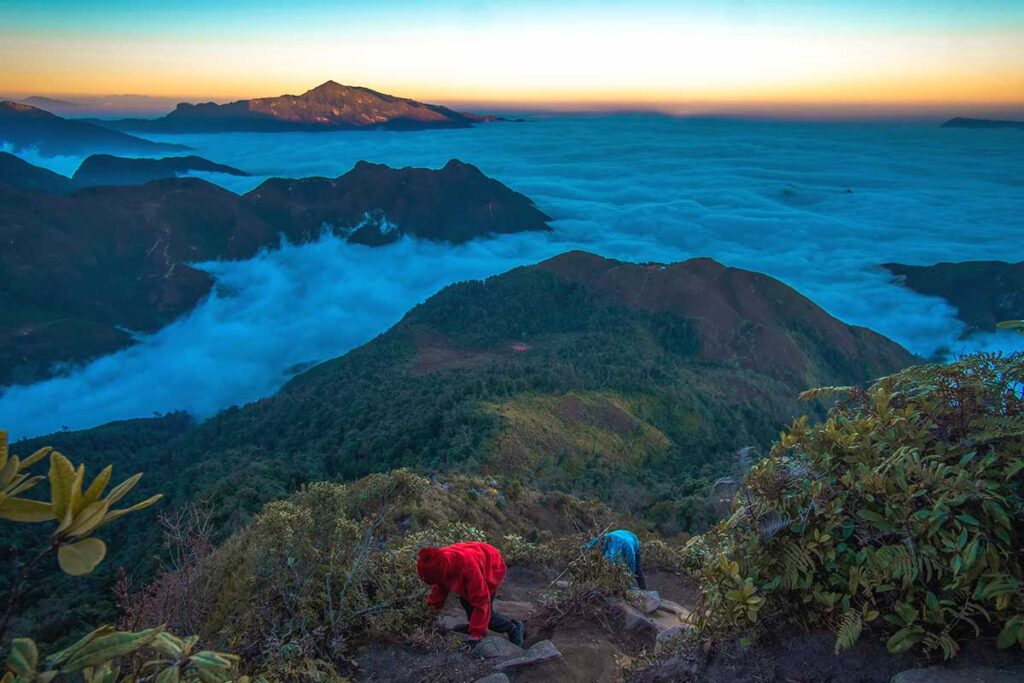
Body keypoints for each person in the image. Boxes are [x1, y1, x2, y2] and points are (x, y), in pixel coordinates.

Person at [417, 541, 526, 648]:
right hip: (475, 557)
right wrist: (427, 617)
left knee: (488, 616)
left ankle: (514, 628)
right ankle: (474, 625)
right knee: (466, 603)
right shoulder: (439, 561)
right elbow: (439, 590)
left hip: (491, 566)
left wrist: (476, 635)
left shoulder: (467, 568)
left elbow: (481, 601)